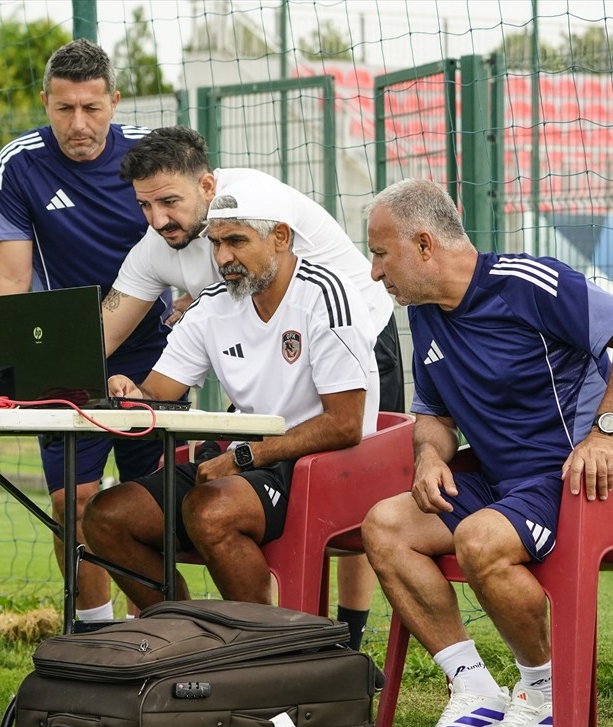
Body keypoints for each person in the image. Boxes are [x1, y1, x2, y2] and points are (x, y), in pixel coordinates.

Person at [360, 178, 613, 727]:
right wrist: (429, 454)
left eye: (380, 254)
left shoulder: (527, 283)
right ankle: (475, 692)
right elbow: (433, 414)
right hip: (503, 483)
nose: (375, 272)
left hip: (573, 480)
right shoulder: (424, 313)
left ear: (423, 244)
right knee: (385, 527)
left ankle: (547, 697)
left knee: (479, 541)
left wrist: (606, 433)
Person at [104, 124, 400, 649]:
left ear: (281, 239)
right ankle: (188, 641)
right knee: (107, 518)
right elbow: (156, 394)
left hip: (320, 453)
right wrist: (131, 394)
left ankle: (287, 652)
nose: (222, 257)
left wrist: (241, 457)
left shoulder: (326, 292)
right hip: (254, 451)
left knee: (211, 509)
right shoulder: (212, 301)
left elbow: (344, 426)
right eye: (216, 244)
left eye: (236, 242)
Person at [0, 38, 170, 623]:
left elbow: (191, 240)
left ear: (115, 100)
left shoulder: (152, 154)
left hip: (153, 349)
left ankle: (158, 631)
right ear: (45, 102)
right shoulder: (19, 164)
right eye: (65, 108)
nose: (79, 123)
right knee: (73, 501)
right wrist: (0, 371)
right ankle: (95, 634)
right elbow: (12, 276)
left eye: (92, 107)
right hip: (64, 351)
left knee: (154, 502)